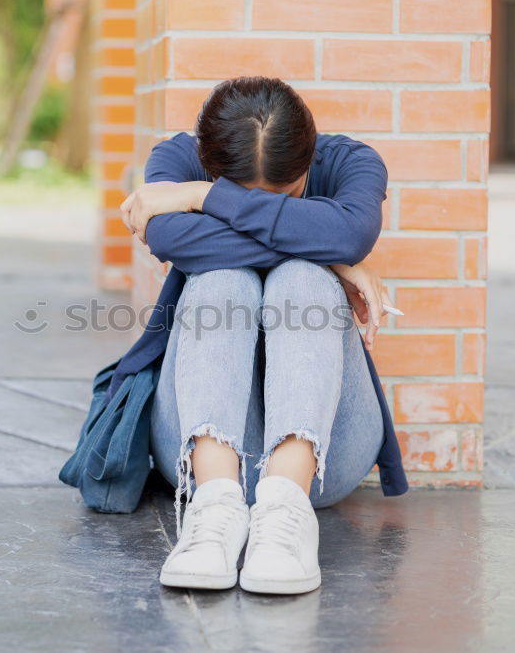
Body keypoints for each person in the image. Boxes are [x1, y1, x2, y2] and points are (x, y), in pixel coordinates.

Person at [117, 76, 408, 595]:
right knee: (221, 281)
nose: (262, 210)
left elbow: (350, 232)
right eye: (230, 189)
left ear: (308, 158)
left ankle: (284, 519)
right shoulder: (176, 159)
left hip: (326, 457)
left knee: (302, 281)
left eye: (287, 195)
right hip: (194, 454)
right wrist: (333, 255)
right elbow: (170, 237)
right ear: (208, 161)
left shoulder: (350, 163)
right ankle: (212, 516)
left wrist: (205, 198)